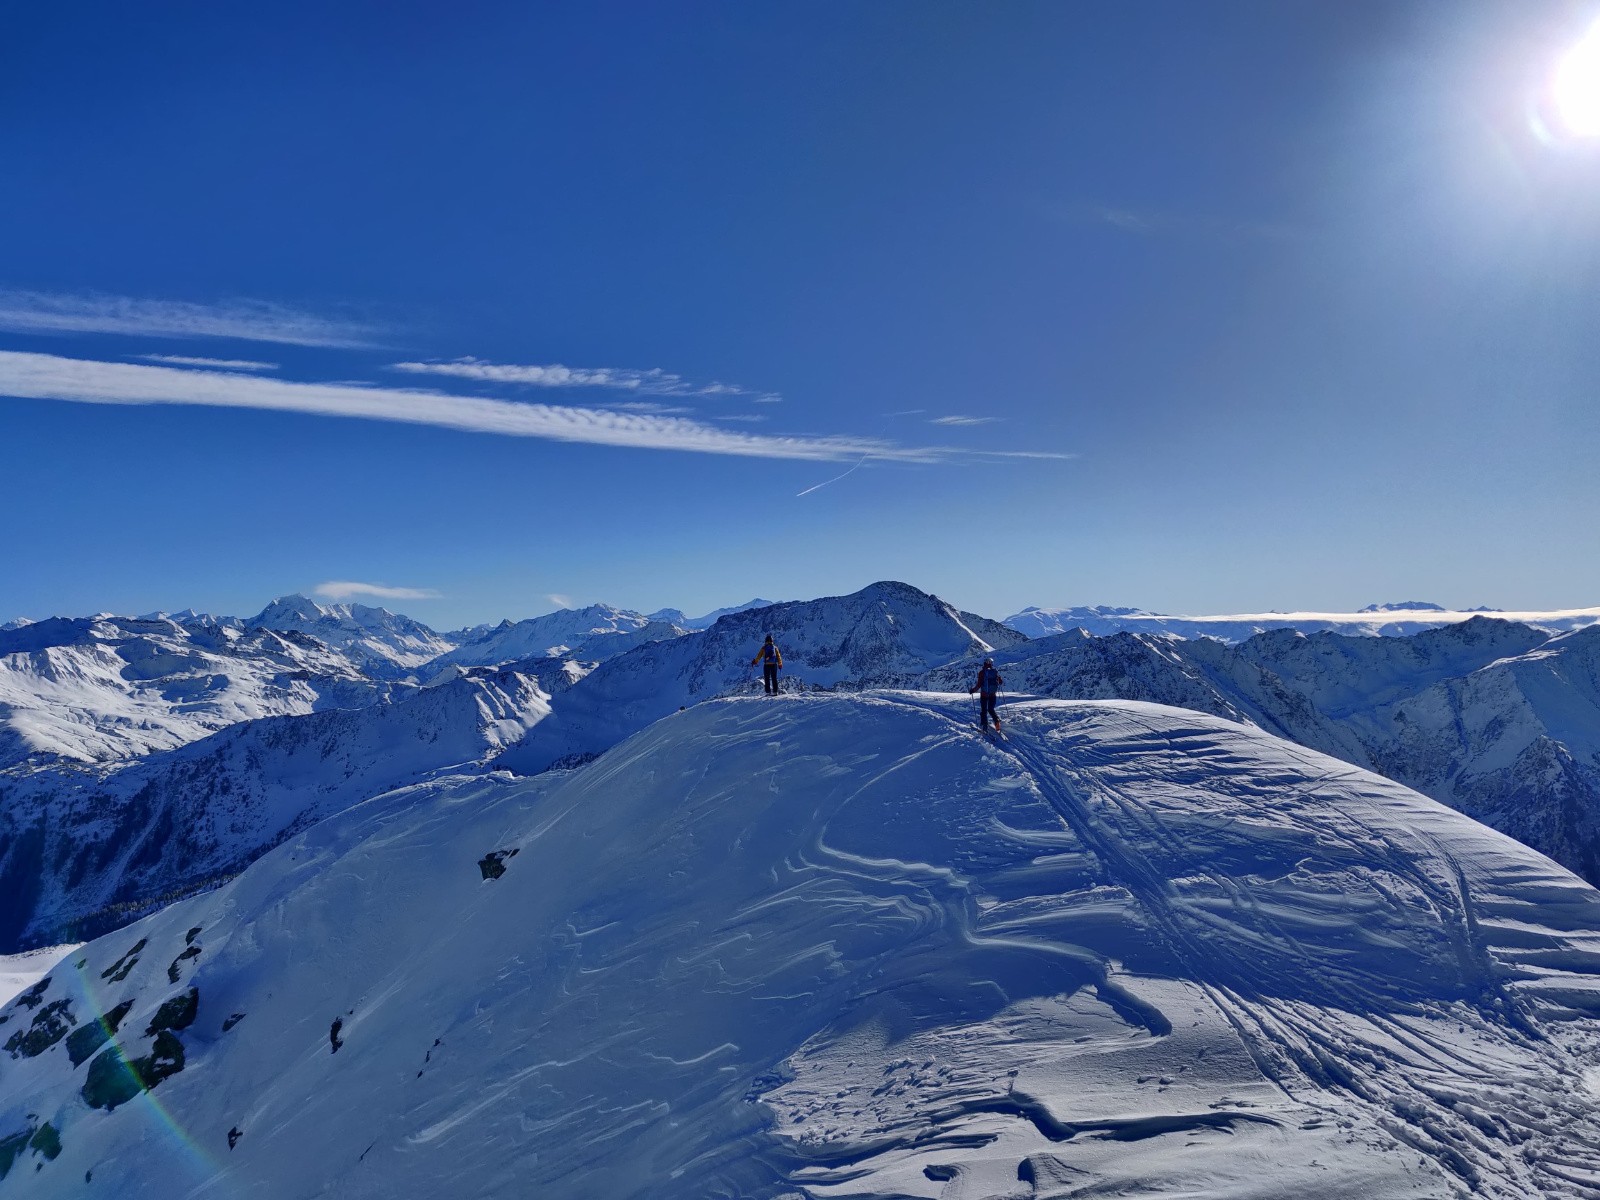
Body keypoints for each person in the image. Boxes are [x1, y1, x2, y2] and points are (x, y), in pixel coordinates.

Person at [969, 657, 1003, 731]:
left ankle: (984, 726)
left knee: (984, 710)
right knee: (991, 709)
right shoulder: (995, 672)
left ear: (984, 663)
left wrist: (972, 690)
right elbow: (1000, 682)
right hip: (993, 694)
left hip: (984, 694)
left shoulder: (982, 672)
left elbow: (979, 684)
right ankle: (997, 722)